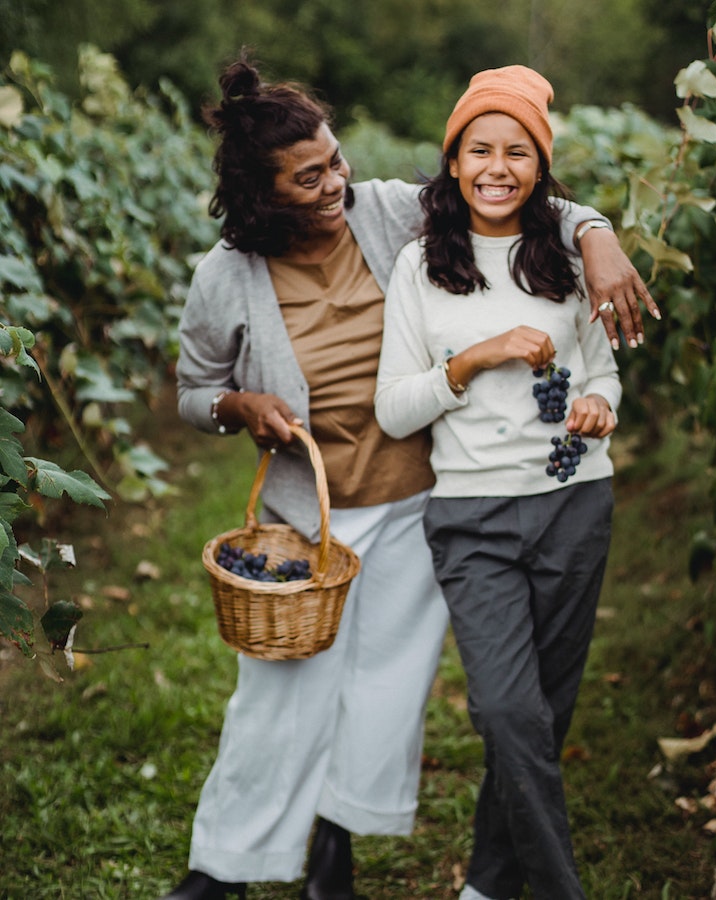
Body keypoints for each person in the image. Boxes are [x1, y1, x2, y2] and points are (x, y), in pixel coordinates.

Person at [166, 53, 652, 900]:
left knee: (386, 694)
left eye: (336, 160)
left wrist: (597, 235)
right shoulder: (226, 278)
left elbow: (513, 186)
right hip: (306, 515)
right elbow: (191, 392)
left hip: (418, 504)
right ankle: (224, 870)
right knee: (276, 700)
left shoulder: (387, 213)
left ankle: (333, 855)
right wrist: (238, 407)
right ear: (260, 192)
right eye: (308, 176)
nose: (334, 184)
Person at [374, 66, 620, 900]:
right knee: (508, 714)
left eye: (518, 152)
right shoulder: (421, 266)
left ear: (540, 169)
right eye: (480, 148)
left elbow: (604, 371)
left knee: (542, 716)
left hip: (575, 503)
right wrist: (476, 357)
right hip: (472, 518)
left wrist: (594, 403)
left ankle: (486, 881)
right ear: (453, 161)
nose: (497, 166)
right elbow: (396, 409)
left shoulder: (564, 254)